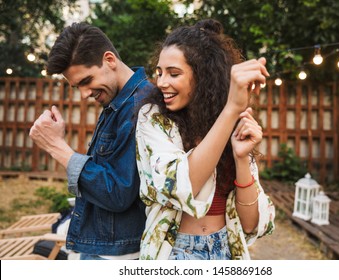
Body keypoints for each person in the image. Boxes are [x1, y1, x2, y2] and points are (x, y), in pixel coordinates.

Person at [135, 19, 275, 260]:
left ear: (204, 76)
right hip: (175, 251)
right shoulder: (154, 119)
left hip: (226, 250)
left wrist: (241, 158)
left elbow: (251, 224)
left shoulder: (231, 119)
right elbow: (179, 187)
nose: (161, 82)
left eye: (173, 73)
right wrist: (231, 109)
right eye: (159, 72)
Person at [29, 22, 153, 260]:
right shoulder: (118, 103)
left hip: (118, 256)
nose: (84, 94)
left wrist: (57, 147)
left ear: (109, 59)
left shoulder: (139, 108)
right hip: (104, 247)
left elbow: (117, 193)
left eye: (86, 81)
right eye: (77, 87)